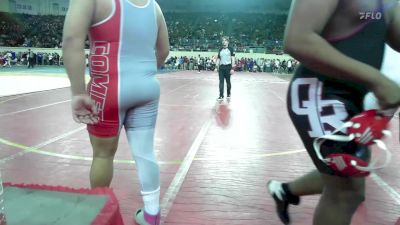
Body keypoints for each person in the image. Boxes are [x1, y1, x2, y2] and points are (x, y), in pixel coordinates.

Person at [267, 0, 400, 225]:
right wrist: (377, 80)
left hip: (357, 97)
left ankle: (284, 190)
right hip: (320, 92)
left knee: (351, 178)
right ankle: (284, 190)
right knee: (346, 192)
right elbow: (297, 39)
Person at [62, 0, 169, 224]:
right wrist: (141, 76)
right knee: (145, 153)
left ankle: (100, 215)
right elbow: (163, 50)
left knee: (103, 154)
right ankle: (151, 215)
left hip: (108, 88)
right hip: (147, 88)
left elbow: (72, 40)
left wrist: (78, 92)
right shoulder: (154, 6)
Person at [216, 36, 235, 101]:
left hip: (228, 67)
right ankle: (221, 95)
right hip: (221, 68)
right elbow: (218, 59)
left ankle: (228, 93)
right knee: (221, 82)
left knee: (228, 82)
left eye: (225, 40)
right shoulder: (220, 49)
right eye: (223, 41)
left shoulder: (231, 49)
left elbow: (233, 58)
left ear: (228, 42)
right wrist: (216, 67)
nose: (223, 42)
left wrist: (232, 68)